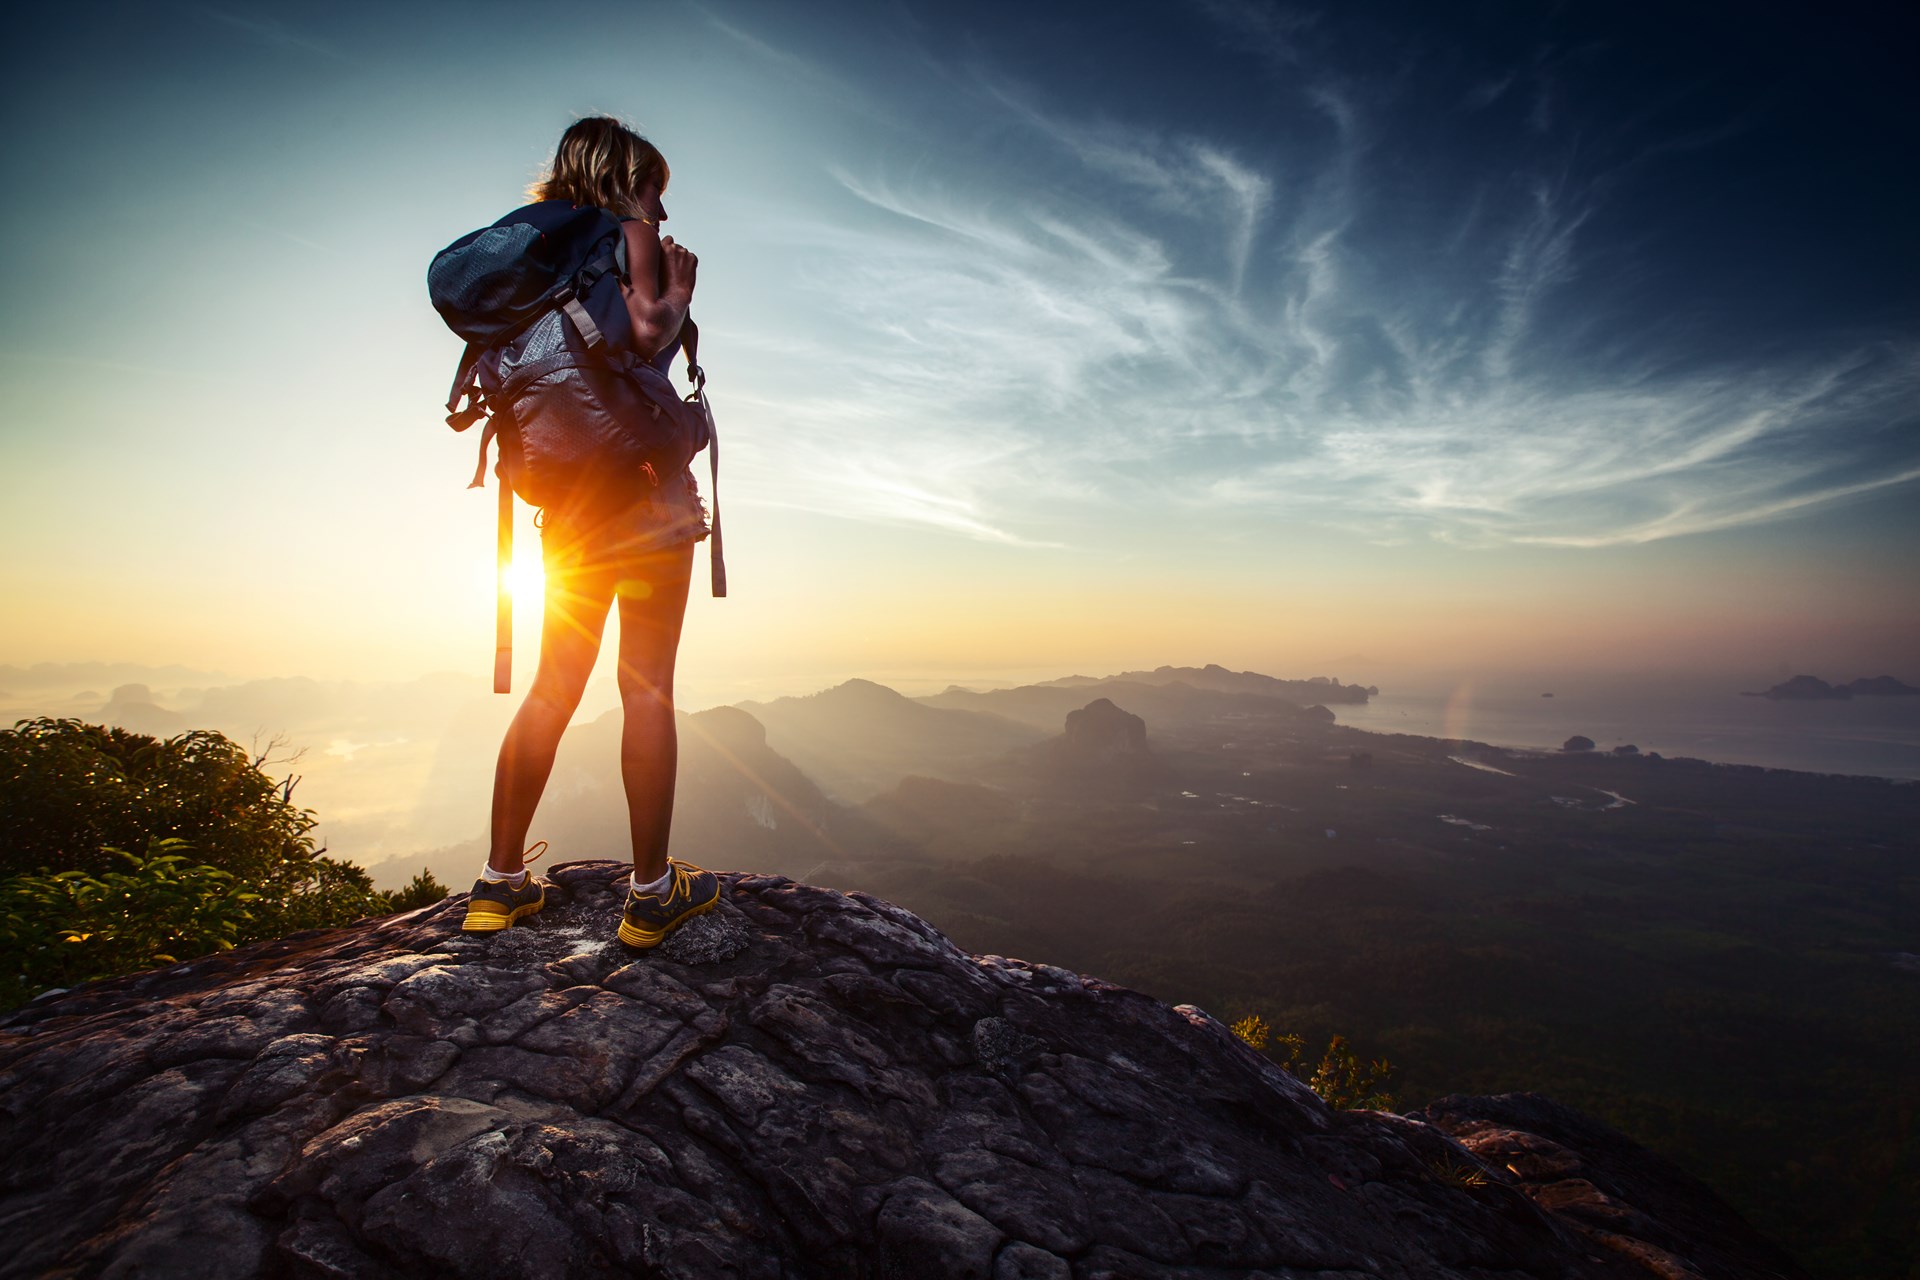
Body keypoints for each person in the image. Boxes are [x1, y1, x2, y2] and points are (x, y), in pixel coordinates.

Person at [460, 117, 721, 947]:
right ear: (624, 179)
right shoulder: (627, 233)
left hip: (566, 510)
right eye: (656, 190)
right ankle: (650, 895)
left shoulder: (527, 264)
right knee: (645, 687)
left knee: (554, 685)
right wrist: (677, 297)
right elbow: (645, 335)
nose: (663, 213)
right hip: (647, 505)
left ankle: (498, 886)